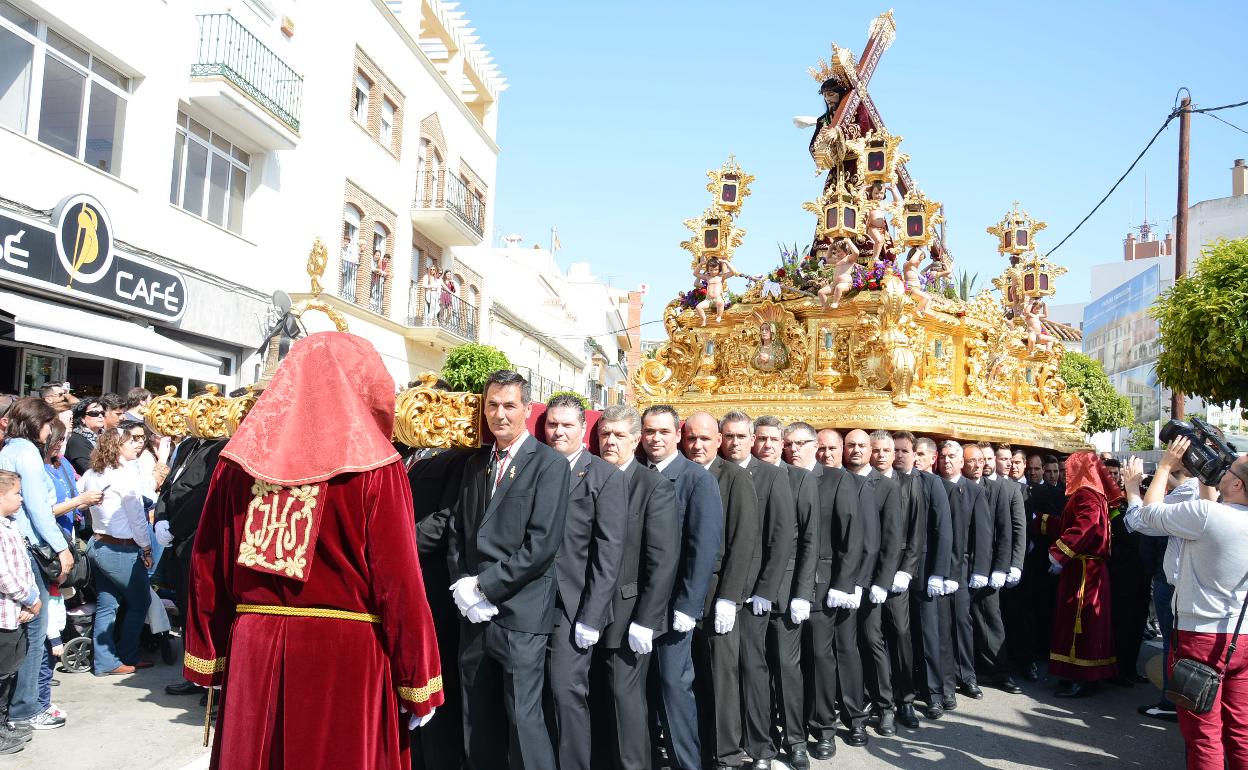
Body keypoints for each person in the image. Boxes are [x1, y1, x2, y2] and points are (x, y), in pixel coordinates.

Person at [184, 332, 443, 768]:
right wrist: (418, 678)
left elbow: (207, 563)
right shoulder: (375, 468)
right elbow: (399, 582)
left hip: (255, 647)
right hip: (345, 657)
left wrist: (209, 653)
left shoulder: (237, 463)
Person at [447, 370, 567, 769]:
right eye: (493, 405)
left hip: (520, 614)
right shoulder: (477, 463)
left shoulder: (549, 465)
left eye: (509, 405)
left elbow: (541, 546)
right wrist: (461, 586)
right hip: (474, 616)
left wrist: (483, 587)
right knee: (475, 720)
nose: (500, 414)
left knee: (523, 721)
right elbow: (458, 531)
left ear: (526, 409)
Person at [1130, 437, 1248, 769]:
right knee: (1240, 731)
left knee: (1204, 735)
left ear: (1237, 484)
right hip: (1241, 636)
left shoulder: (1207, 516)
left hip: (1200, 638)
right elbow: (1213, 507)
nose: (1221, 472)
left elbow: (1150, 514)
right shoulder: (1217, 514)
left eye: (1229, 469)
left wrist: (1165, 465)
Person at [543, 395, 627, 770]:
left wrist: (591, 616)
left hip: (573, 605)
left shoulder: (604, 476)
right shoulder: (534, 467)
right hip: (530, 601)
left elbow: (608, 553)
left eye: (566, 425)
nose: (558, 431)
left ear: (581, 429)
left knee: (566, 692)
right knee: (533, 695)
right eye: (552, 425)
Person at [592, 405, 678, 770]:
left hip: (628, 616)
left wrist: (646, 619)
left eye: (619, 435)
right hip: (585, 612)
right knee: (596, 700)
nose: (610, 441)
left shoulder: (652, 485)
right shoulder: (588, 476)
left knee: (625, 704)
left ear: (635, 439)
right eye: (604, 435)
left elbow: (662, 560)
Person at [641, 406, 721, 770]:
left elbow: (702, 548)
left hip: (674, 605)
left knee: (675, 687)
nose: (655, 438)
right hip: (637, 602)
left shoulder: (695, 478)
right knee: (642, 689)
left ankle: (688, 762)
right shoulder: (636, 472)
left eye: (663, 431)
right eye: (649, 431)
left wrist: (688, 606)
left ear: (677, 436)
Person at [687, 410, 760, 769]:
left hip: (719, 593)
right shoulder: (683, 473)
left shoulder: (734, 477)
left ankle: (728, 751)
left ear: (718, 440)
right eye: (691, 439)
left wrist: (730, 597)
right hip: (684, 594)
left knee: (722, 675)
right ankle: (698, 747)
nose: (697, 445)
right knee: (692, 674)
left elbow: (744, 541)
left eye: (704, 438)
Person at [0, 398, 70, 730]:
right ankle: (25, 707)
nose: (49, 431)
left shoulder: (9, 448)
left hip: (18, 543)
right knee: (35, 628)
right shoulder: (26, 452)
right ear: (35, 423)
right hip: (29, 548)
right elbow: (38, 507)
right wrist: (61, 548)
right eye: (47, 424)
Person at [742, 415, 806, 769]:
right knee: (754, 669)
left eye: (773, 439)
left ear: (783, 443)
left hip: (784, 591)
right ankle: (760, 742)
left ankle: (796, 740)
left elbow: (807, 540)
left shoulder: (798, 479)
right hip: (747, 593)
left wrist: (800, 592)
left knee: (786, 667)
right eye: (761, 438)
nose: (767, 445)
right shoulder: (741, 474)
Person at [803, 429, 864, 760]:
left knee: (831, 655)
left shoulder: (839, 480)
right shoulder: (787, 474)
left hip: (828, 585)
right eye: (821, 448)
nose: (825, 453)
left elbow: (852, 537)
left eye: (829, 448)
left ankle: (834, 724)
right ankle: (808, 720)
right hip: (796, 585)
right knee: (808, 658)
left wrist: (844, 584)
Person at [153, 427, 228, 699]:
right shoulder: (187, 445)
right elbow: (170, 485)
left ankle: (211, 680)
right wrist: (160, 517)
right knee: (186, 610)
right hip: (175, 539)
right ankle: (192, 672)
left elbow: (203, 495)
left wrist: (175, 527)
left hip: (195, 537)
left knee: (203, 611)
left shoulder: (221, 446)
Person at [79, 426, 153, 676]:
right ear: (117, 445)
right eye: (132, 440)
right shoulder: (124, 475)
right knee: (140, 602)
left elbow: (79, 499)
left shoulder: (92, 472)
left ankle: (107, 660)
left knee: (107, 604)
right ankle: (124, 655)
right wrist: (146, 547)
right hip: (119, 549)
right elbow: (138, 519)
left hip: (99, 545)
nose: (138, 444)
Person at [1048, 451, 1120, 697]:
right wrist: (1043, 522)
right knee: (1090, 623)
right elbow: (1074, 523)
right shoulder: (1095, 493)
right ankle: (1088, 675)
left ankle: (1080, 676)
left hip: (1083, 570)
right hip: (1089, 568)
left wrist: (1060, 551)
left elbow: (1086, 525)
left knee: (1080, 621)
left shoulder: (1086, 494)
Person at [844, 429, 900, 743]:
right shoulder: (835, 479)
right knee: (847, 647)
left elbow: (892, 540)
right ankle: (854, 713)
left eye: (861, 446)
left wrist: (881, 581)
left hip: (871, 583)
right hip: (842, 583)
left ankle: (885, 705)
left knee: (872, 640)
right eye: (850, 445)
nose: (855, 450)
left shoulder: (887, 486)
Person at [874, 431, 927, 729]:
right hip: (867, 576)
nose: (883, 455)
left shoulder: (909, 484)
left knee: (900, 635)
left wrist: (906, 570)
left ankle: (905, 700)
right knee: (872, 640)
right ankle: (882, 703)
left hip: (896, 577)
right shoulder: (862, 481)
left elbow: (916, 532)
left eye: (889, 450)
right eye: (879, 449)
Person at [900, 435, 954, 720]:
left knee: (928, 634)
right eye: (912, 452)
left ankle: (935, 693)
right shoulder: (894, 479)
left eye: (919, 453)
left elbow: (943, 529)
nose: (915, 458)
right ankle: (906, 690)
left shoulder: (931, 483)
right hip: (895, 572)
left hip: (924, 571)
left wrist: (939, 572)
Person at [962, 444, 1023, 695]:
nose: (983, 464)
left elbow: (1008, 531)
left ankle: (1000, 672)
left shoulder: (999, 489)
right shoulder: (959, 486)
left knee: (991, 621)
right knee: (963, 622)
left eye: (987, 459)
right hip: (960, 566)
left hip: (988, 568)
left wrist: (1004, 567)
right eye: (978, 459)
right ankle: (968, 672)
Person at [936, 441, 992, 711]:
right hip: (936, 571)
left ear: (961, 462)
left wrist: (981, 570)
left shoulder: (973, 490)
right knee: (941, 629)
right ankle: (946, 683)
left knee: (962, 624)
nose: (947, 461)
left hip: (962, 571)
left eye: (952, 457)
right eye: (944, 456)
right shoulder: (933, 485)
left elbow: (982, 534)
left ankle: (967, 676)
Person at [0, 470, 38, 753]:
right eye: (16, 493)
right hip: (6, 613)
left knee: (10, 671)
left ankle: (4, 723)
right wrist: (27, 598)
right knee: (1, 675)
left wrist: (32, 598)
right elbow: (4, 575)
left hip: (17, 611)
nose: (21, 498)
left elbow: (23, 566)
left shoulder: (10, 525)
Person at [64, 398, 105, 476]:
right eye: (94, 413)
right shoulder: (76, 440)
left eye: (102, 413)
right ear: (82, 418)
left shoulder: (106, 437)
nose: (100, 416)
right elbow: (90, 469)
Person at [693, 257, 738, 326]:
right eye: (711, 270)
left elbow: (734, 272)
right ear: (708, 270)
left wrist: (726, 262)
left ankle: (719, 316)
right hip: (708, 300)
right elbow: (695, 274)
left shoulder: (721, 277)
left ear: (719, 269)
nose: (713, 272)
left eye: (716, 270)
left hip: (718, 299)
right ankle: (703, 319)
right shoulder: (707, 277)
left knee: (720, 303)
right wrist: (701, 264)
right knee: (698, 307)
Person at [819, 238, 860, 309]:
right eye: (836, 252)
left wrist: (849, 242)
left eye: (839, 251)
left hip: (845, 284)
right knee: (821, 292)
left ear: (846, 251)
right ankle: (826, 308)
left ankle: (835, 302)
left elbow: (856, 253)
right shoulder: (837, 260)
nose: (837, 254)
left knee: (839, 287)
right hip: (834, 285)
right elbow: (827, 259)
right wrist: (830, 248)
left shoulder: (849, 259)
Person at [902, 247, 931, 316]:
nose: (919, 262)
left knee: (928, 300)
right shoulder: (907, 264)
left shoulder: (914, 268)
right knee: (926, 297)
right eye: (919, 260)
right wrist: (918, 251)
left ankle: (924, 314)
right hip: (911, 288)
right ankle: (915, 311)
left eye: (921, 261)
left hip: (916, 288)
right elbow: (912, 261)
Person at [340, 233, 360, 303]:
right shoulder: (341, 247)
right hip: (342, 265)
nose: (346, 242)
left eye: (347, 241)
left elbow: (352, 257)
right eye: (345, 240)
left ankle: (344, 292)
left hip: (347, 266)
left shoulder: (350, 248)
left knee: (346, 279)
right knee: (342, 278)